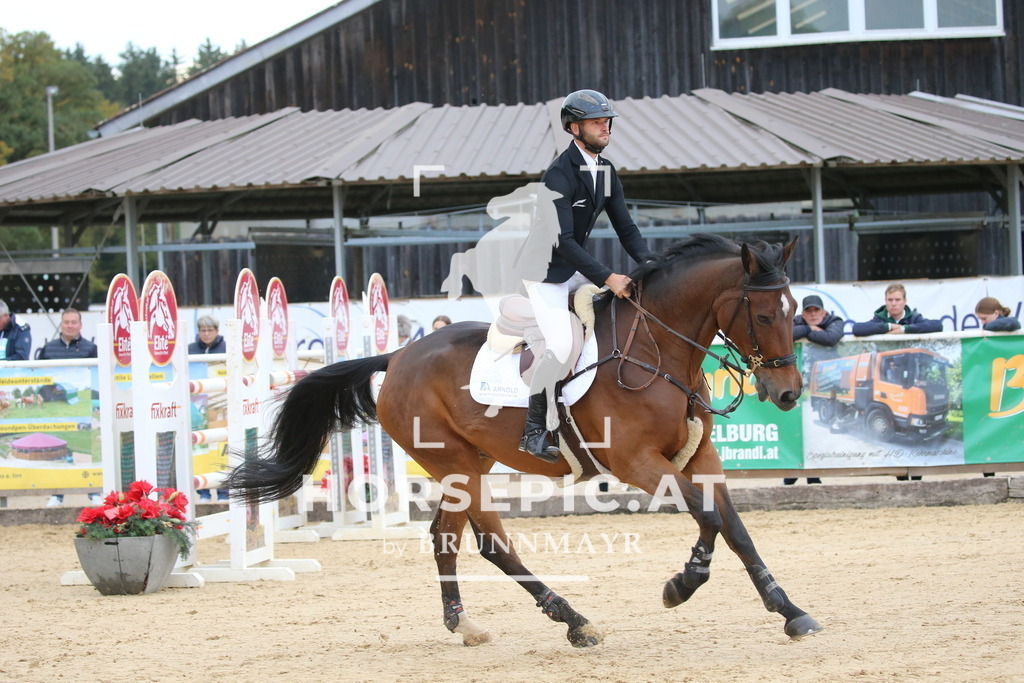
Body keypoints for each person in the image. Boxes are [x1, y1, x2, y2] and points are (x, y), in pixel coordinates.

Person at [520, 89, 656, 462]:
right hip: (545, 273)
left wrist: (651, 265)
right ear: (574, 128)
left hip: (575, 268)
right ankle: (532, 431)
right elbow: (561, 240)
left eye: (607, 121)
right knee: (562, 345)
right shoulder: (558, 175)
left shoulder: (605, 170)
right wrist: (609, 276)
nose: (605, 128)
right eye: (597, 123)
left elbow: (626, 229)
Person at [851, 283, 942, 337]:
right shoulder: (879, 319)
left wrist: (904, 329)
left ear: (905, 301)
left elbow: (938, 325)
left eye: (898, 300)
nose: (894, 304)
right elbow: (857, 329)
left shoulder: (914, 318)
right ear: (885, 301)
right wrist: (889, 326)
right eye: (890, 300)